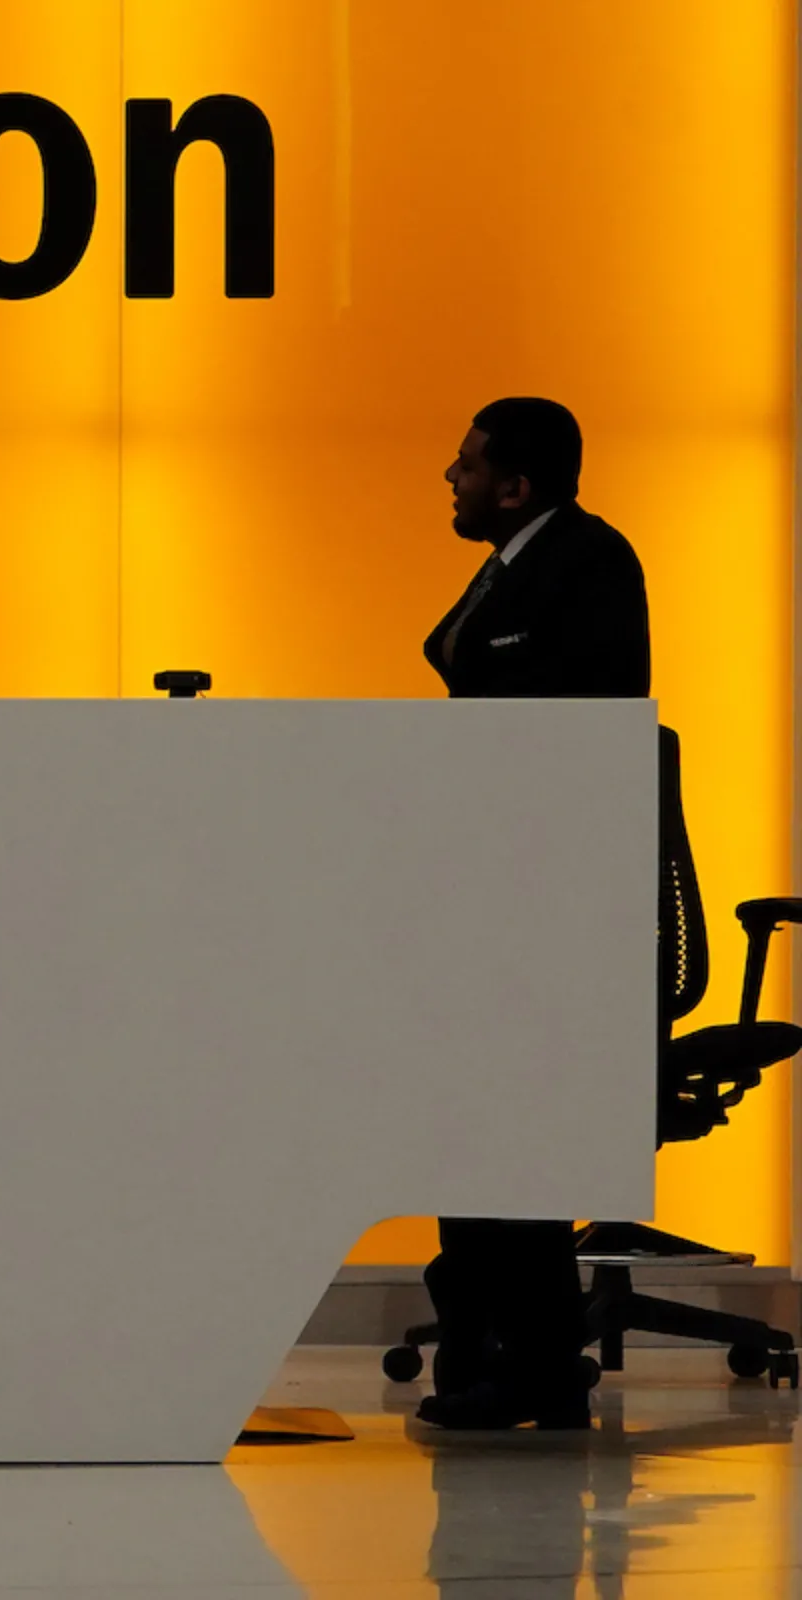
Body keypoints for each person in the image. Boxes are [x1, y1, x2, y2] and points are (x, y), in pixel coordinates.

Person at [416, 397, 650, 1431]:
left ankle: (530, 1356)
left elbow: (572, 726)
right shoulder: (514, 560)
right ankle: (492, 1345)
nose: (450, 480)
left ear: (516, 483)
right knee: (472, 1110)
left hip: (545, 890)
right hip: (490, 879)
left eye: (467, 466)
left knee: (507, 1115)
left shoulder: (587, 563)